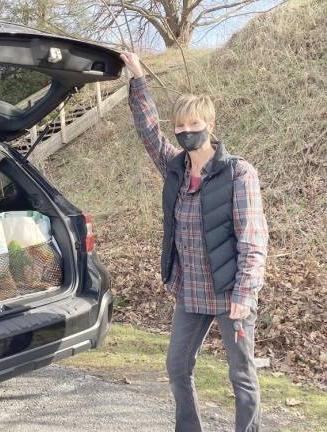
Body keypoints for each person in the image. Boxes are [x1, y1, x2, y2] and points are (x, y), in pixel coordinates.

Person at [120, 51, 269, 432]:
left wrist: (245, 294)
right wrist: (137, 78)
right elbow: (149, 132)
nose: (186, 130)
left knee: (241, 374)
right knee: (177, 366)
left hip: (230, 291)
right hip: (191, 290)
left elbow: (253, 239)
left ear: (211, 125)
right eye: (181, 125)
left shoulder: (239, 173)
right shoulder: (175, 167)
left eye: (194, 123)